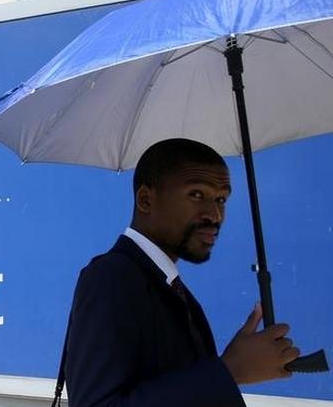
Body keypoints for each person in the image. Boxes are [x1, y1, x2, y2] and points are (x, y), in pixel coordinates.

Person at [62, 138, 300, 407]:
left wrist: (233, 368)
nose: (215, 214)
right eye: (197, 194)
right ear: (145, 200)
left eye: (221, 199)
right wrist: (229, 371)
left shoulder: (170, 287)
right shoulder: (111, 278)